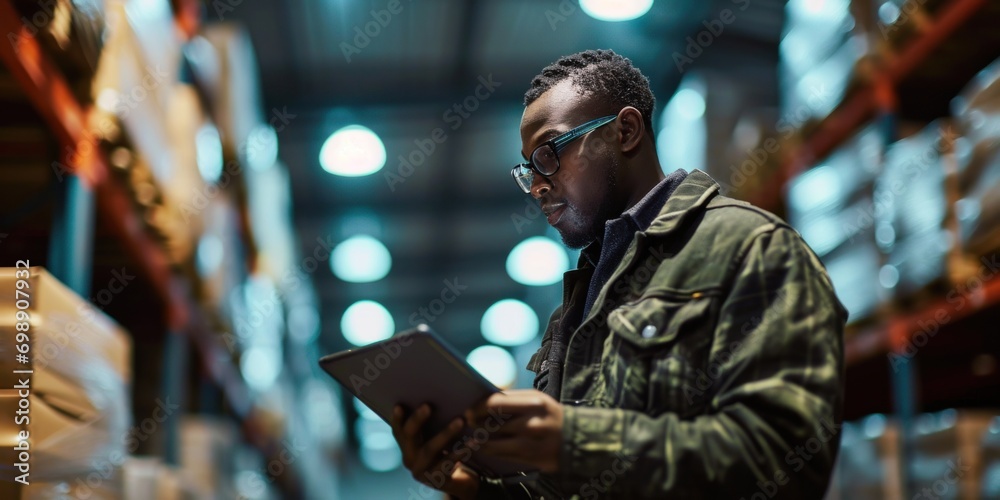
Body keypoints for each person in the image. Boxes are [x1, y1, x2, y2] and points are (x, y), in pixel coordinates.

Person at [390, 49, 846, 499]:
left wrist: (575, 443)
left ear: (625, 131)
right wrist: (468, 489)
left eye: (549, 155)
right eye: (527, 169)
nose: (536, 185)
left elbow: (786, 462)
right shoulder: (580, 304)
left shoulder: (751, 248)